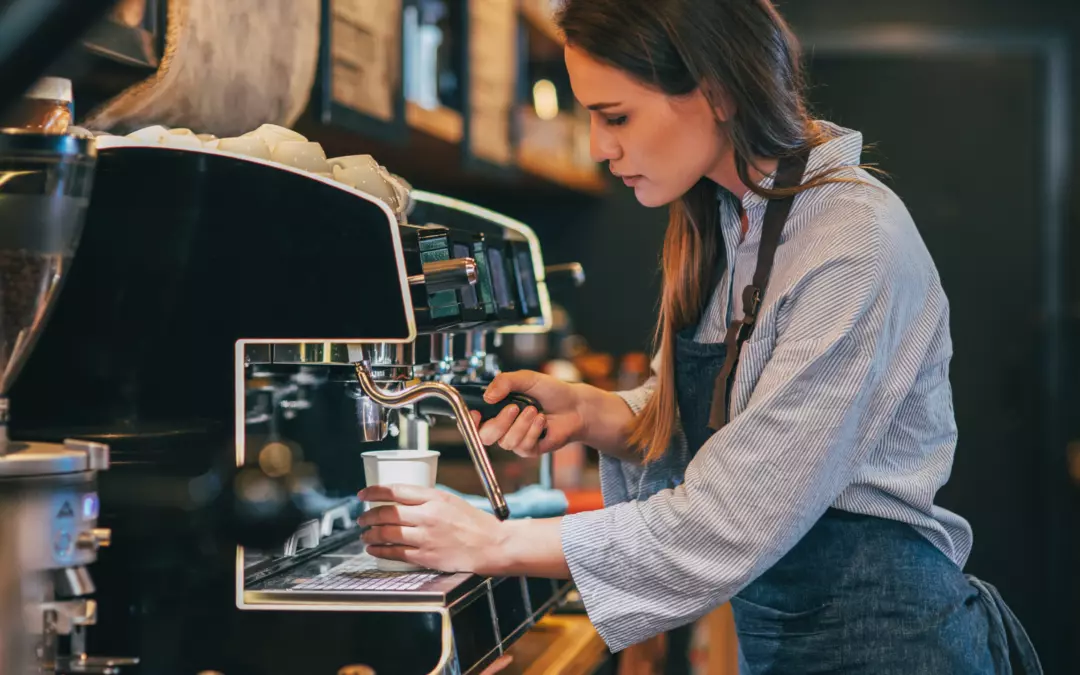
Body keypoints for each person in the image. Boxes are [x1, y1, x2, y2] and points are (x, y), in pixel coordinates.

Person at [357, 0, 1042, 672]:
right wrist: (598, 413)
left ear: (713, 90)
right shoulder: (729, 221)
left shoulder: (850, 244)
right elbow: (735, 422)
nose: (600, 147)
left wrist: (493, 541)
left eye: (615, 115)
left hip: (895, 650)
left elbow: (732, 513)